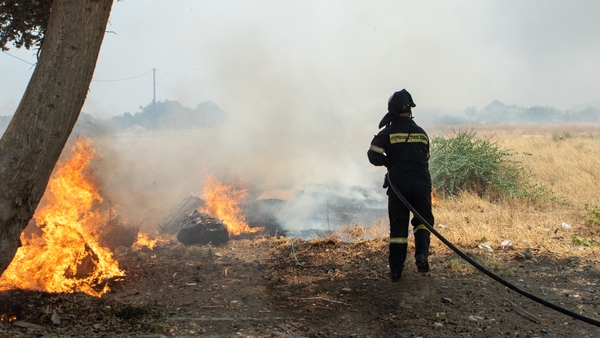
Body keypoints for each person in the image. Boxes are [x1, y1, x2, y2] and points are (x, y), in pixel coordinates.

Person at [367, 89, 434, 282]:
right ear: (409, 111)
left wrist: (389, 161)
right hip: (422, 185)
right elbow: (426, 157)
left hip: (399, 188)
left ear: (393, 110)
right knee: (423, 222)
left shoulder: (388, 132)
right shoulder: (421, 133)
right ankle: (421, 256)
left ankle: (396, 271)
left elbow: (373, 155)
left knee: (398, 229)